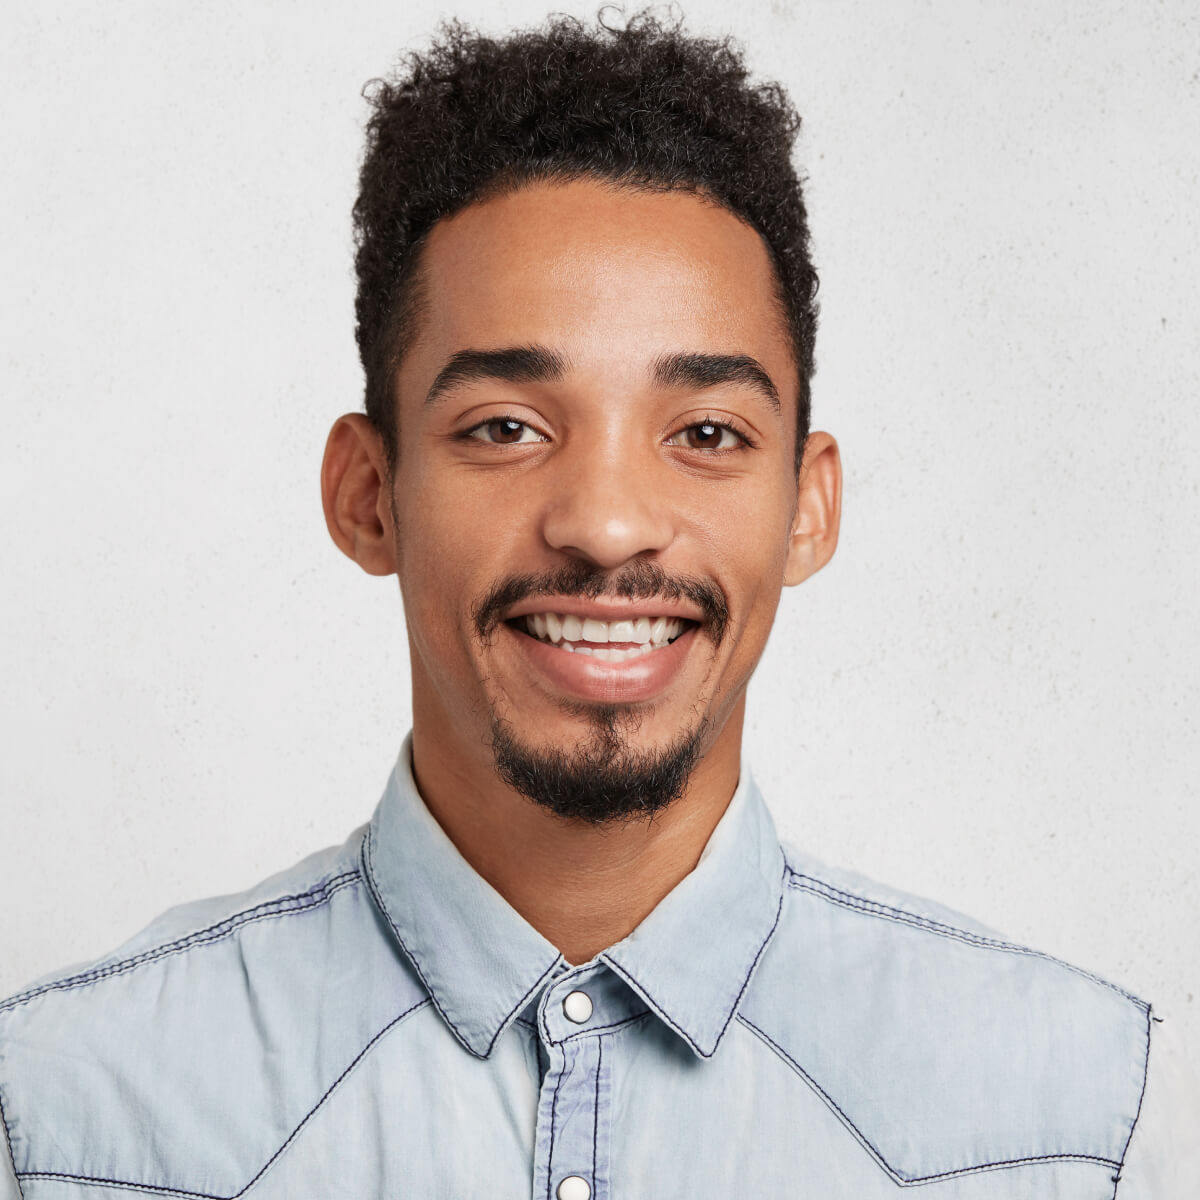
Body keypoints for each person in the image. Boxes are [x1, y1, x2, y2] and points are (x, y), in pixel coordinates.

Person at [1, 12, 1195, 1198]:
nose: (609, 524)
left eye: (707, 434)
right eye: (507, 428)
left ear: (807, 508)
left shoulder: (1068, 1127)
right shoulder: (70, 1120)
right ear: (368, 495)